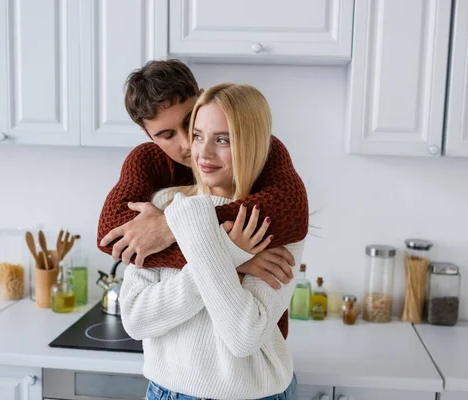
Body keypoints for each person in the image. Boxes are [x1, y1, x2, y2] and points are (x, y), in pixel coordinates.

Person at [97, 60, 309, 339]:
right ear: (148, 135)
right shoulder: (147, 163)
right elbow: (112, 236)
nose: (187, 144)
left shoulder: (263, 152)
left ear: (201, 97)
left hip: (257, 363)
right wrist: (233, 256)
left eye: (189, 123)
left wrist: (169, 227)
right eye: (167, 135)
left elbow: (291, 211)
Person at [119, 83, 305, 400]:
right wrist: (230, 253)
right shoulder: (165, 205)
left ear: (251, 144)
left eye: (222, 140)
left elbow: (244, 336)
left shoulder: (272, 221)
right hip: (167, 393)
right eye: (198, 135)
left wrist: (199, 232)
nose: (202, 153)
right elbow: (136, 319)